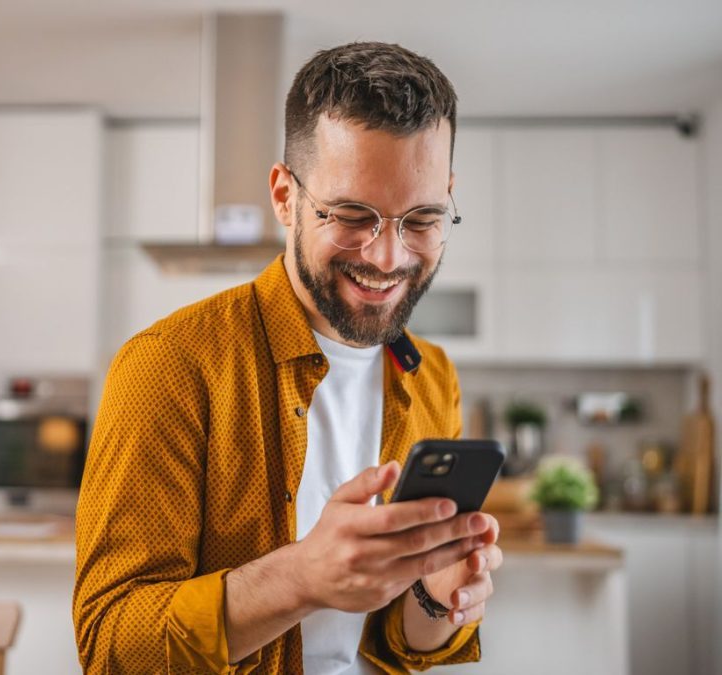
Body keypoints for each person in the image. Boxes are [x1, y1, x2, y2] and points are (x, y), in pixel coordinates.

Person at [73, 41, 502, 674]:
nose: (387, 257)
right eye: (353, 214)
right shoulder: (168, 366)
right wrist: (300, 578)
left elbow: (401, 646)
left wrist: (437, 600)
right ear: (284, 196)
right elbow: (111, 648)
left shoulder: (430, 375)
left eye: (422, 218)